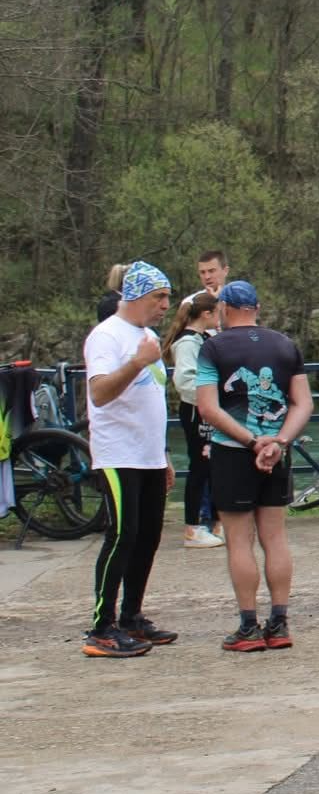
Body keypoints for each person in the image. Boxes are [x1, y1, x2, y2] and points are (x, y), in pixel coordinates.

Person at [194, 281, 314, 651]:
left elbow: (208, 408)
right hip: (276, 451)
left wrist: (251, 441)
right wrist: (279, 441)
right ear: (257, 308)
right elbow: (303, 403)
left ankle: (248, 626)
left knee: (239, 540)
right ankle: (279, 623)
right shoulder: (285, 345)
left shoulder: (213, 348)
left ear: (225, 308)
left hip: (233, 450)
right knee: (275, 538)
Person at [80, 262, 178, 658]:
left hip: (148, 454)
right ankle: (101, 627)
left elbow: (152, 399)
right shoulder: (106, 336)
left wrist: (164, 454)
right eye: (159, 297)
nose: (166, 305)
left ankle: (131, 617)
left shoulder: (148, 336)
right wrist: (136, 362)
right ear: (136, 296)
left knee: (148, 536)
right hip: (118, 453)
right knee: (122, 535)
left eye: (168, 297)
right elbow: (100, 393)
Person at [166, 292, 223, 548]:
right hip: (196, 411)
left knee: (214, 467)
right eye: (217, 312)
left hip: (208, 409)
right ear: (206, 314)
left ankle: (218, 522)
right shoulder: (187, 342)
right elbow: (185, 380)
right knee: (200, 467)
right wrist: (209, 397)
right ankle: (193, 526)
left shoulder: (203, 338)